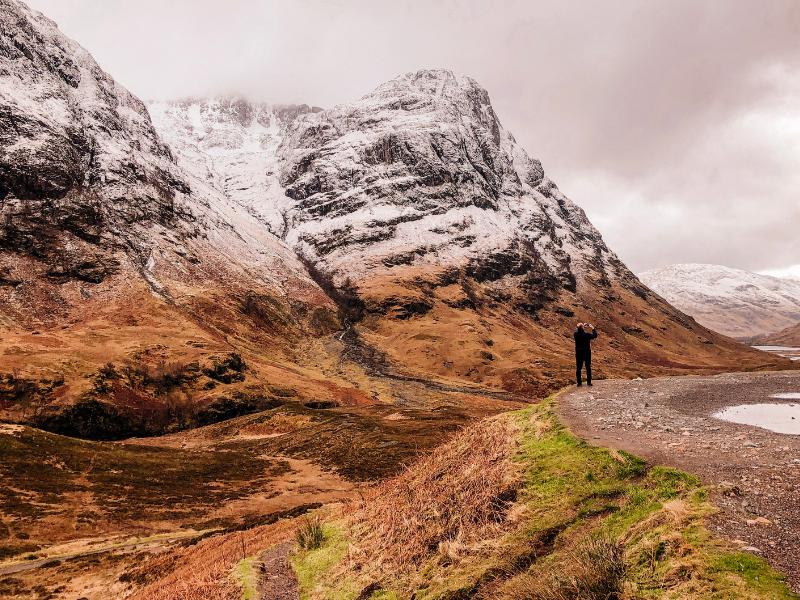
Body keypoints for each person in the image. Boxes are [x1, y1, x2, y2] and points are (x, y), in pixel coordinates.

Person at [574, 322, 597, 386]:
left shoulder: (575, 334)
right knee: (588, 368)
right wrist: (593, 328)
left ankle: (579, 383)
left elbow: (577, 330)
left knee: (578, 368)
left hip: (579, 353)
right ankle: (589, 382)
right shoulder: (587, 335)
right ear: (583, 328)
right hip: (587, 353)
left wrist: (581, 327)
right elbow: (595, 335)